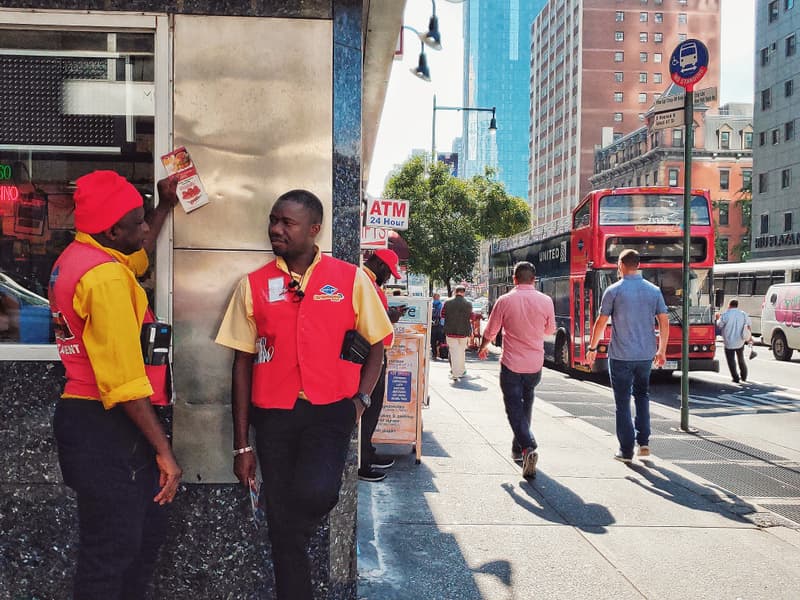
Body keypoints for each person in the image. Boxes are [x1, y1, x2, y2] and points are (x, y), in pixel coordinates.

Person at [214, 189, 392, 600]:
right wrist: (243, 447)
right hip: (273, 416)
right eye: (273, 220)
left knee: (316, 493)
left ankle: (290, 523)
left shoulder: (351, 279)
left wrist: (361, 401)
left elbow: (378, 343)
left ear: (314, 230)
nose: (276, 229)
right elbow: (241, 363)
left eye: (286, 223)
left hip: (331, 412)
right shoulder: (254, 285)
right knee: (282, 530)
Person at [48, 170, 183, 599]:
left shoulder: (81, 256)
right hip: (108, 426)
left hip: (91, 422)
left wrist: (163, 205)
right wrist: (164, 452)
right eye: (139, 222)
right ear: (113, 230)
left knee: (129, 544)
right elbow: (124, 382)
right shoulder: (104, 279)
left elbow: (138, 256)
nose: (146, 230)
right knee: (113, 553)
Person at [586, 249, 669, 463]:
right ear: (638, 265)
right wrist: (661, 350)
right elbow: (664, 320)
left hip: (621, 356)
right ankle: (644, 443)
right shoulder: (654, 290)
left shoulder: (614, 290)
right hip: (645, 355)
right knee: (642, 396)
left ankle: (626, 450)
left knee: (622, 402)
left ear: (621, 265)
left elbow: (601, 322)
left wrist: (592, 348)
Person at [478, 262, 555, 479]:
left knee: (513, 408)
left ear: (514, 279)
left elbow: (491, 329)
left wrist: (483, 347)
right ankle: (518, 449)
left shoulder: (505, 300)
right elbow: (550, 329)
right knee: (526, 403)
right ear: (534, 279)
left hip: (511, 363)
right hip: (534, 365)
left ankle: (528, 445)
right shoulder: (546, 300)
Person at [359, 248, 407, 482]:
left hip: (373, 353)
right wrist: (392, 316)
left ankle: (366, 452)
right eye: (388, 272)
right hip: (370, 355)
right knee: (369, 408)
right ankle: (362, 462)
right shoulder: (366, 282)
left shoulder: (368, 282)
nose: (388, 278)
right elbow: (373, 318)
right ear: (379, 264)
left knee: (372, 409)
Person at [717, 298, 752, 383]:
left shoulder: (726, 314)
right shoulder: (743, 314)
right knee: (741, 358)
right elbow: (749, 326)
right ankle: (744, 376)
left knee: (731, 360)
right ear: (737, 305)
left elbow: (719, 325)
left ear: (729, 305)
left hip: (729, 341)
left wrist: (718, 318)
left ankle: (735, 377)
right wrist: (750, 338)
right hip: (740, 340)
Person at [442, 285, 473, 380]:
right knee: (461, 351)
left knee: (454, 351)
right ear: (463, 292)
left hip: (450, 331)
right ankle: (462, 370)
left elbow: (442, 315)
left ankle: (455, 373)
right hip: (464, 332)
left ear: (455, 291)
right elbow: (471, 317)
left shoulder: (447, 302)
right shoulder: (468, 303)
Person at [430, 292, 444, 358]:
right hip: (440, 325)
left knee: (433, 340)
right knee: (441, 339)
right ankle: (441, 353)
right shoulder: (441, 305)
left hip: (432, 325)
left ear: (433, 297)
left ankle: (434, 354)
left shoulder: (430, 304)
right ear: (438, 297)